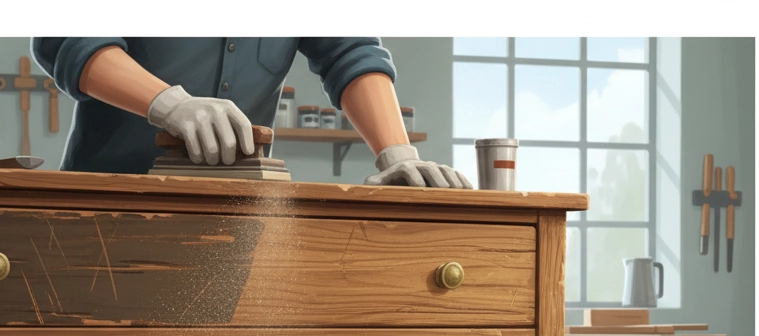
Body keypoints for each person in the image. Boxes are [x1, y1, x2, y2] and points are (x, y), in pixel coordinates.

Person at [30, 37, 471, 188]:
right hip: (106, 205)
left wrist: (397, 154)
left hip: (236, 215)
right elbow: (71, 40)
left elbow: (350, 53)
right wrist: (168, 104)